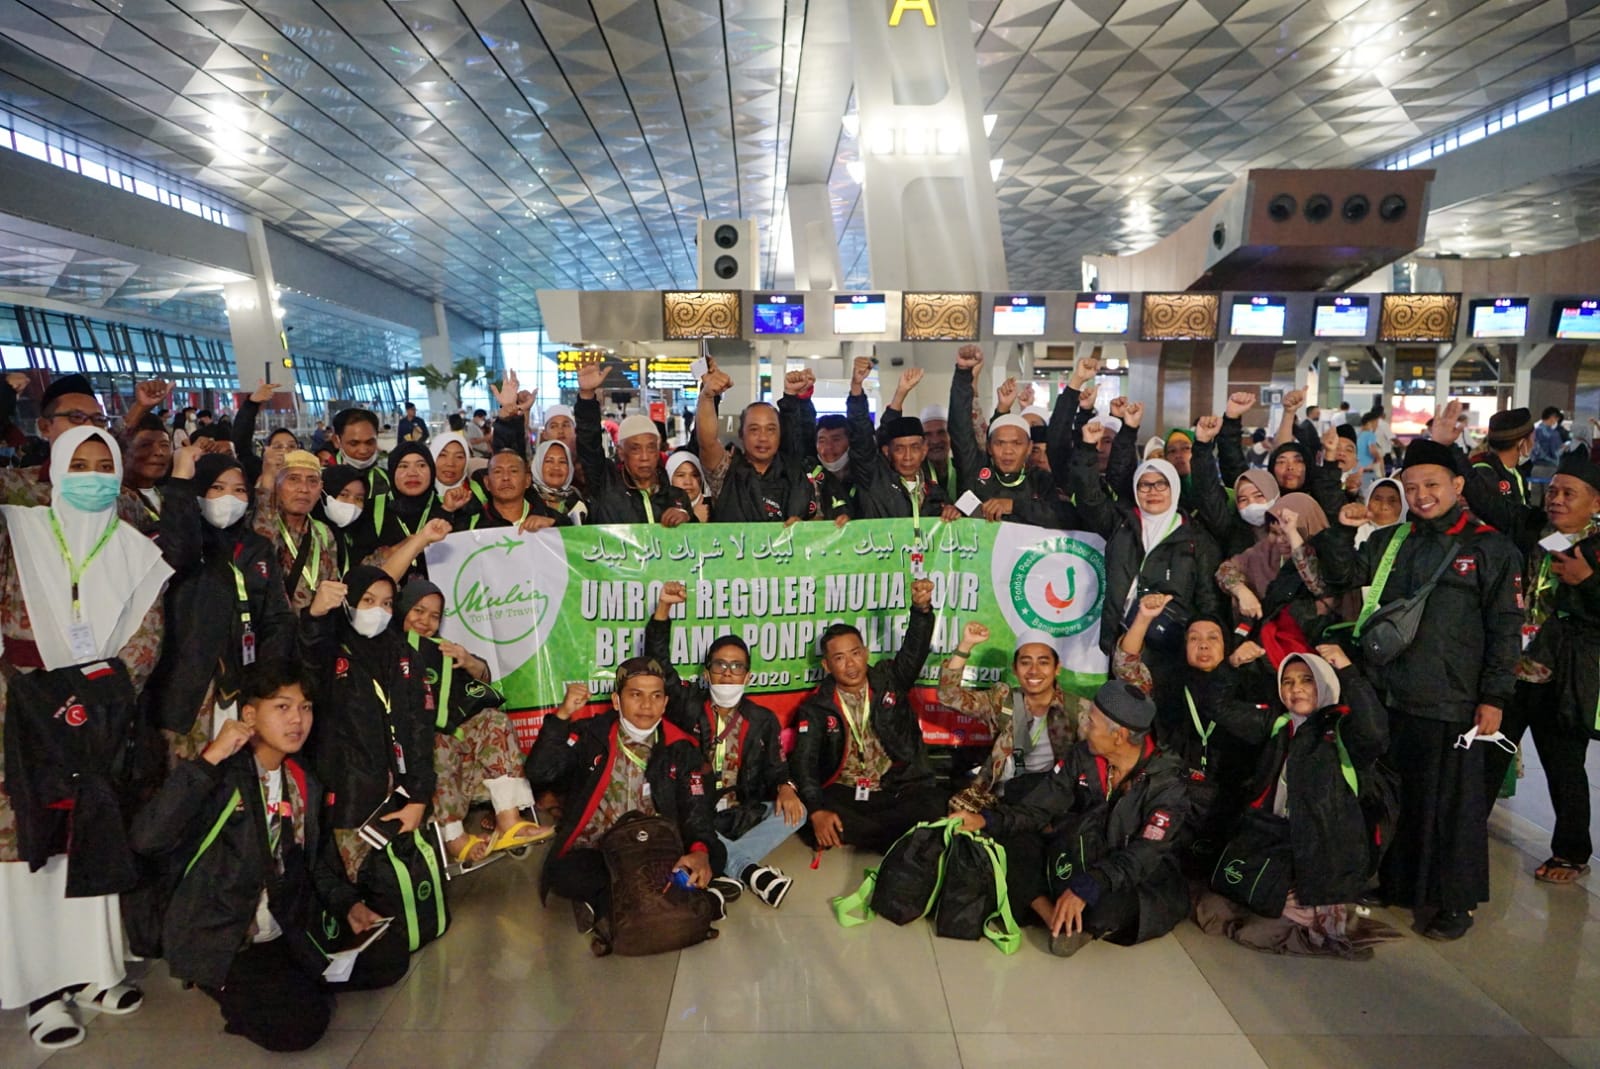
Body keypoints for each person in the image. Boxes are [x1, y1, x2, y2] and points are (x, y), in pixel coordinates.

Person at [128, 663, 407, 1052]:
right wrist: (210, 758)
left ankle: (293, 978)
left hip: (282, 921)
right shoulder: (220, 774)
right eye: (282, 707)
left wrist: (350, 905)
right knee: (298, 1027)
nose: (298, 719)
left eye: (306, 707)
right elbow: (147, 838)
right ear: (249, 715)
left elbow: (316, 863)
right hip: (227, 936)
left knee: (389, 957)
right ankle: (231, 986)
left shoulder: (301, 778)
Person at [0, 426, 174, 1049]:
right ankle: (42, 988)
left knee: (93, 835)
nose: (94, 475)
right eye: (81, 464)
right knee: (29, 848)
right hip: (19, 712)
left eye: (106, 464)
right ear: (53, 469)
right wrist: (36, 694)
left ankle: (94, 970)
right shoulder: (16, 533)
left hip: (98, 714)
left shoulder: (135, 550)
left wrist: (97, 698)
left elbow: (145, 637)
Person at [1312, 435, 1522, 940]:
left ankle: (1456, 901)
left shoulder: (1490, 547)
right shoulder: (1392, 541)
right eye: (1412, 487)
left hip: (1454, 700)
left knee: (1452, 806)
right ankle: (1398, 881)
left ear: (1456, 484)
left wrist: (1494, 698)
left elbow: (1505, 628)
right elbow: (1340, 576)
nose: (1422, 495)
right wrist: (1341, 530)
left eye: (1432, 484)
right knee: (1395, 797)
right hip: (1391, 694)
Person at [1452, 438, 1600, 887]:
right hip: (1516, 672)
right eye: (1552, 490)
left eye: (1567, 493)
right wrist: (1448, 447)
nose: (1555, 499)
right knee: (1486, 754)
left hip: (1567, 678)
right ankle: (1460, 838)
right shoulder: (1538, 530)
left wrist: (1588, 581)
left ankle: (1572, 852)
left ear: (1596, 503)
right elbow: (1486, 500)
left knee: (1565, 769)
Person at [955, 681, 1191, 957]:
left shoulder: (1167, 785)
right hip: (1078, 848)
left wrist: (1089, 885)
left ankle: (1072, 916)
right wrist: (984, 821)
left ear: (1119, 736)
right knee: (1011, 839)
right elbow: (1039, 807)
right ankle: (1054, 917)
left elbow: (1144, 854)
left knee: (1107, 907)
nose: (1084, 727)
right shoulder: (1084, 755)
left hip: (1128, 870)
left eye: (1091, 723)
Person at [1194, 649, 1393, 959]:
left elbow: (1376, 732)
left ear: (1325, 684)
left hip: (1319, 858)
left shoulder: (1342, 734)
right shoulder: (1276, 724)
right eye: (1287, 681)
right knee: (1209, 908)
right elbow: (1217, 706)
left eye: (1306, 680)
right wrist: (1231, 665)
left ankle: (1313, 913)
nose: (1295, 688)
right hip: (1273, 842)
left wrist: (1348, 670)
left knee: (1254, 932)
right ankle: (1272, 901)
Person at [525, 660, 724, 949]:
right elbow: (539, 772)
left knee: (713, 853)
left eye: (656, 695)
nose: (647, 704)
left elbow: (696, 811)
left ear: (666, 702)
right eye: (635, 694)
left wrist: (700, 852)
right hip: (599, 850)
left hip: (657, 848)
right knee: (566, 873)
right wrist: (563, 716)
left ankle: (609, 906)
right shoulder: (590, 735)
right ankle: (679, 899)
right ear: (617, 701)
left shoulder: (682, 747)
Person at [645, 583, 801, 907]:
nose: (728, 673)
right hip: (694, 812)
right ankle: (748, 872)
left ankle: (723, 863)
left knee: (795, 812)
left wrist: (786, 786)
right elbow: (657, 663)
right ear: (707, 673)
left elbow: (776, 768)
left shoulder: (762, 719)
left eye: (737, 666)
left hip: (738, 813)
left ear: (748, 676)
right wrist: (663, 611)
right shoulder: (688, 705)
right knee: (677, 823)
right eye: (720, 665)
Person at [147, 451, 297, 763]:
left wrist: (265, 679)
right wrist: (179, 483)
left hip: (245, 686)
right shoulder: (182, 546)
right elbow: (177, 551)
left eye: (239, 490)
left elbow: (277, 617)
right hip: (189, 690)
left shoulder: (257, 548)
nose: (229, 497)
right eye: (217, 488)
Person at [394, 581, 550, 866]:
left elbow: (483, 679)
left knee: (494, 719)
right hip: (416, 751)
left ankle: (509, 820)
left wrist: (466, 660)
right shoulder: (386, 648)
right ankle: (455, 838)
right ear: (401, 608)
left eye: (434, 616)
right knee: (437, 741)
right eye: (418, 611)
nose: (425, 621)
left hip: (462, 746)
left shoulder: (441, 649)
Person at [298, 568, 435, 887]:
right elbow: (308, 660)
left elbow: (420, 729)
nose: (378, 611)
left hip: (402, 793)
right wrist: (315, 616)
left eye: (387, 603)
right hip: (350, 801)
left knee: (408, 888)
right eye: (368, 600)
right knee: (363, 893)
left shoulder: (403, 654)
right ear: (348, 602)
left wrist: (419, 796)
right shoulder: (332, 651)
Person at [789, 577, 947, 853]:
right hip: (847, 792)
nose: (850, 664)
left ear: (866, 653)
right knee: (811, 817)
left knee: (934, 806)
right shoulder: (815, 707)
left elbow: (914, 651)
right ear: (827, 665)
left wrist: (921, 611)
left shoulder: (889, 680)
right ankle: (901, 838)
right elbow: (805, 763)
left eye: (855, 653)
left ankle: (883, 836)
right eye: (839, 658)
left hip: (896, 787)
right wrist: (816, 812)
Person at [1071, 419, 1221, 661]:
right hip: (1123, 640)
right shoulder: (1121, 524)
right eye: (1144, 485)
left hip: (1172, 646)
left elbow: (1208, 599)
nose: (1153, 492)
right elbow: (1089, 498)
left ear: (1174, 488)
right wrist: (1087, 448)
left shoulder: (1195, 536)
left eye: (1161, 484)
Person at [938, 624, 1085, 805]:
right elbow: (949, 696)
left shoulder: (1077, 708)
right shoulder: (1003, 700)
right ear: (1015, 669)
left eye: (1043, 662)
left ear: (1057, 668)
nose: (1034, 670)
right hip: (1000, 796)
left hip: (1052, 799)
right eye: (1025, 662)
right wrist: (965, 646)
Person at [948, 346, 1069, 526]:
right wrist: (964, 373)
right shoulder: (976, 472)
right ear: (989, 447)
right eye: (1000, 443)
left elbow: (1065, 516)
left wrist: (1014, 506)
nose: (1008, 451)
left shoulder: (1041, 480)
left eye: (1016, 443)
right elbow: (960, 428)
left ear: (1029, 447)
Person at [574, 361, 695, 526]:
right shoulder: (606, 486)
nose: (645, 457)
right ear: (621, 452)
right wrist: (587, 397)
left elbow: (695, 545)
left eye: (651, 448)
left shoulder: (676, 497)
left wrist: (687, 518)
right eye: (635, 449)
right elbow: (589, 445)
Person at [695, 360, 812, 523]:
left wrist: (805, 528)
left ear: (780, 434)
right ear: (741, 434)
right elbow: (707, 442)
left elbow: (821, 524)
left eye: (770, 429)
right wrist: (707, 396)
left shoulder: (798, 475)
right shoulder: (726, 472)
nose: (763, 438)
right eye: (754, 429)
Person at [845, 356, 953, 521]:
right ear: (887, 451)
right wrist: (856, 386)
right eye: (900, 449)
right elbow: (861, 437)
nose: (908, 456)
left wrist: (952, 514)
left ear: (925, 450)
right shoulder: (874, 480)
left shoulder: (935, 493)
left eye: (915, 447)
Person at [351, 442, 474, 579]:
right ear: (392, 472)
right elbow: (358, 567)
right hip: (387, 597)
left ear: (432, 470)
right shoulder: (372, 509)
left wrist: (446, 511)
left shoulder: (449, 506)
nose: (412, 473)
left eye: (421, 465)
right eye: (403, 466)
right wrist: (401, 547)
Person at [254, 449, 341, 611]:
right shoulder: (262, 524)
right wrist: (267, 477)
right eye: (293, 479)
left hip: (312, 628)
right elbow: (261, 552)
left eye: (312, 481)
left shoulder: (323, 532)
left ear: (320, 488)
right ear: (277, 484)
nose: (304, 489)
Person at [776, 368, 855, 520]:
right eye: (822, 440)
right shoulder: (808, 473)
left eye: (836, 440)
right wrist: (797, 398)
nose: (828, 448)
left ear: (850, 441)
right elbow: (795, 437)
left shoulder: (864, 475)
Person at [460, 450, 563, 531]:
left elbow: (575, 541)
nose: (505, 477)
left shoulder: (548, 517)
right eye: (498, 472)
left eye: (513, 471)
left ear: (527, 480)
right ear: (487, 483)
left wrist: (555, 526)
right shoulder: (471, 522)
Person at [1472, 407, 1535, 508]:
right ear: (1522, 443)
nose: (1534, 442)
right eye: (1533, 437)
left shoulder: (1515, 471)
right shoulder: (1483, 473)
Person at [316, 464, 368, 574]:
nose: (351, 503)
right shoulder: (309, 531)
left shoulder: (359, 535)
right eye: (344, 495)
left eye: (359, 499)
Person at [330, 408, 388, 497]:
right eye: (354, 444)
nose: (363, 451)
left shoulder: (388, 478)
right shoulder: (320, 479)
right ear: (337, 440)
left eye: (370, 442)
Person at [528, 440, 587, 524]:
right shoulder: (527, 497)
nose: (556, 467)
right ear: (538, 464)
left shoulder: (577, 497)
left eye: (562, 462)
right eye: (549, 461)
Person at [1355, 477, 1407, 547]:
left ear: (1403, 505)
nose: (1384, 507)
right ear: (1367, 502)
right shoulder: (1354, 531)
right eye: (1377, 499)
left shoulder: (1412, 536)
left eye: (1392, 501)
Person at [666, 451, 712, 524]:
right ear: (669, 478)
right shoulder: (661, 507)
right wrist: (695, 518)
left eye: (695, 475)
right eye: (681, 475)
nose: (688, 482)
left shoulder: (713, 507)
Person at [1533, 407, 1565, 472]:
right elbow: (1557, 452)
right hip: (1550, 468)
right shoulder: (1552, 434)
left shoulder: (1534, 431)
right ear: (1552, 417)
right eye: (1556, 419)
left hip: (1535, 468)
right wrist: (1563, 448)